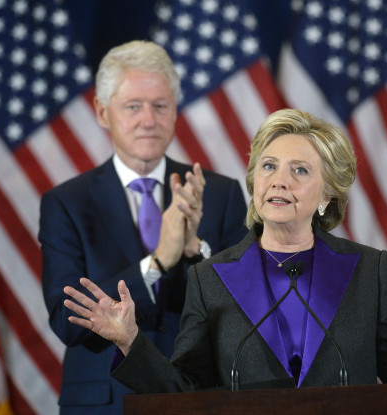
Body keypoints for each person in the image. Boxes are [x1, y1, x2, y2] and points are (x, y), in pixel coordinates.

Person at [62, 108, 387, 395]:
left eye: (300, 171)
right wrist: (129, 341)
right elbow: (185, 390)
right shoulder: (211, 277)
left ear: (326, 196)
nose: (279, 181)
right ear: (254, 182)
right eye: (269, 168)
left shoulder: (368, 269)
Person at [39, 40, 247, 414]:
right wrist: (156, 264)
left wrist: (195, 251)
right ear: (103, 113)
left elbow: (247, 306)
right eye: (133, 106)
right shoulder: (66, 204)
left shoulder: (220, 193)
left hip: (199, 397)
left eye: (160, 106)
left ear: (174, 111)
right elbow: (66, 321)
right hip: (105, 402)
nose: (148, 120)